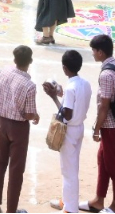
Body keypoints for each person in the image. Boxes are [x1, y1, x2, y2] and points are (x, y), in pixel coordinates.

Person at [0, 46, 39, 214]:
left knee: (0, 165)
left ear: (14, 59)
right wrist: (35, 116)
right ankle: (11, 210)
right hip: (18, 128)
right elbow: (28, 114)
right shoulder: (29, 85)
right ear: (30, 61)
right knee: (16, 171)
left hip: (2, 123)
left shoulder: (4, 72)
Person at [43, 50, 92, 213]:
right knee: (71, 168)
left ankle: (70, 208)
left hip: (69, 130)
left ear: (64, 68)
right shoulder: (85, 83)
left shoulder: (71, 88)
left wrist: (54, 98)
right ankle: (66, 201)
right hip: (79, 128)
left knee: (69, 171)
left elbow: (67, 114)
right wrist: (61, 94)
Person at [87, 34, 115, 214]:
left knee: (113, 164)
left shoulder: (106, 74)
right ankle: (99, 199)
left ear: (100, 52)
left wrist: (96, 129)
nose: (93, 54)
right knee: (103, 159)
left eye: (94, 51)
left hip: (110, 125)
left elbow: (104, 106)